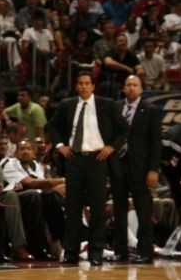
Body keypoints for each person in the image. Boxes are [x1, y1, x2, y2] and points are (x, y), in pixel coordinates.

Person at [46, 70, 129, 265]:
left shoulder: (107, 105)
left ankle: (96, 251)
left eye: (87, 83)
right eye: (80, 83)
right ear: (76, 86)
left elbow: (124, 129)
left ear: (93, 86)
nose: (83, 86)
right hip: (74, 159)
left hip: (98, 160)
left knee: (98, 207)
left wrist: (111, 147)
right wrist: (60, 146)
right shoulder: (67, 105)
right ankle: (71, 252)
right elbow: (52, 126)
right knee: (73, 207)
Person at [109, 74, 162, 264]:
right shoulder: (114, 107)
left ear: (141, 89)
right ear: (123, 88)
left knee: (144, 211)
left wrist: (153, 170)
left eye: (135, 85)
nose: (131, 87)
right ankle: (120, 251)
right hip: (118, 166)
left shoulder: (151, 110)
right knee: (119, 210)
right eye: (128, 84)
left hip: (141, 168)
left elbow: (156, 143)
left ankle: (145, 251)